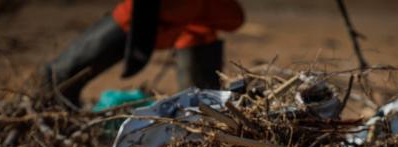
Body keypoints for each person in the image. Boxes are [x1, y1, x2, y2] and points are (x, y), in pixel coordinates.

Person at [41, 0, 245, 105]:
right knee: (60, 77)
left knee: (207, 25)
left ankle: (201, 114)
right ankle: (55, 104)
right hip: (142, 15)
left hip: (190, 19)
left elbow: (234, 20)